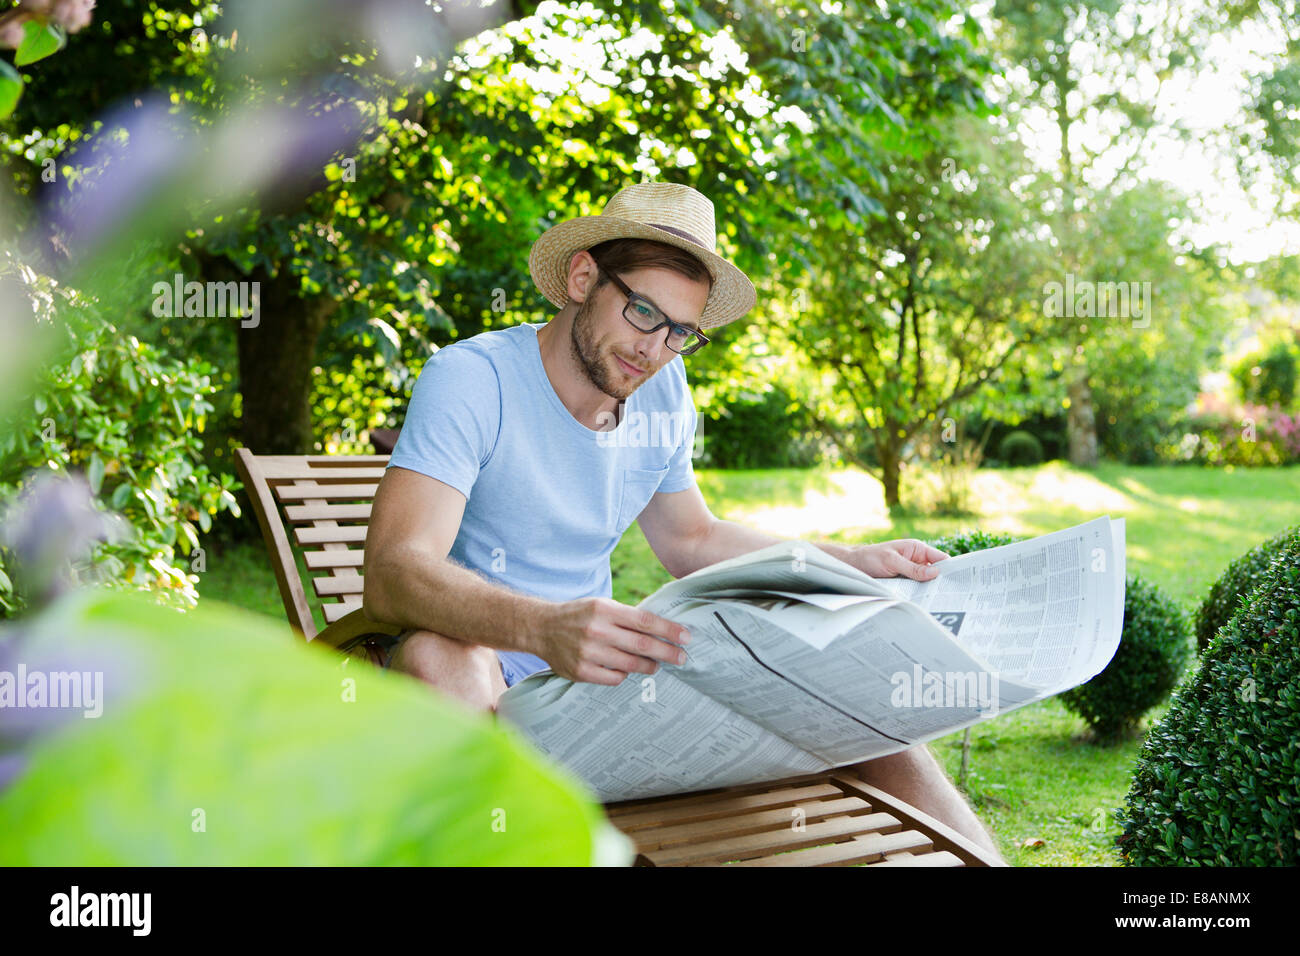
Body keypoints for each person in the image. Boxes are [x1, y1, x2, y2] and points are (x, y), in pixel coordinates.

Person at [363, 181, 1004, 862]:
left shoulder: (661, 387)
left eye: (681, 333)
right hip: (482, 663)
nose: (655, 349)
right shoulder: (473, 379)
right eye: (643, 312)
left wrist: (845, 559)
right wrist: (544, 628)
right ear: (583, 278)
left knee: (871, 715)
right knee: (441, 656)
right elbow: (394, 571)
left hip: (591, 684)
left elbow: (691, 538)